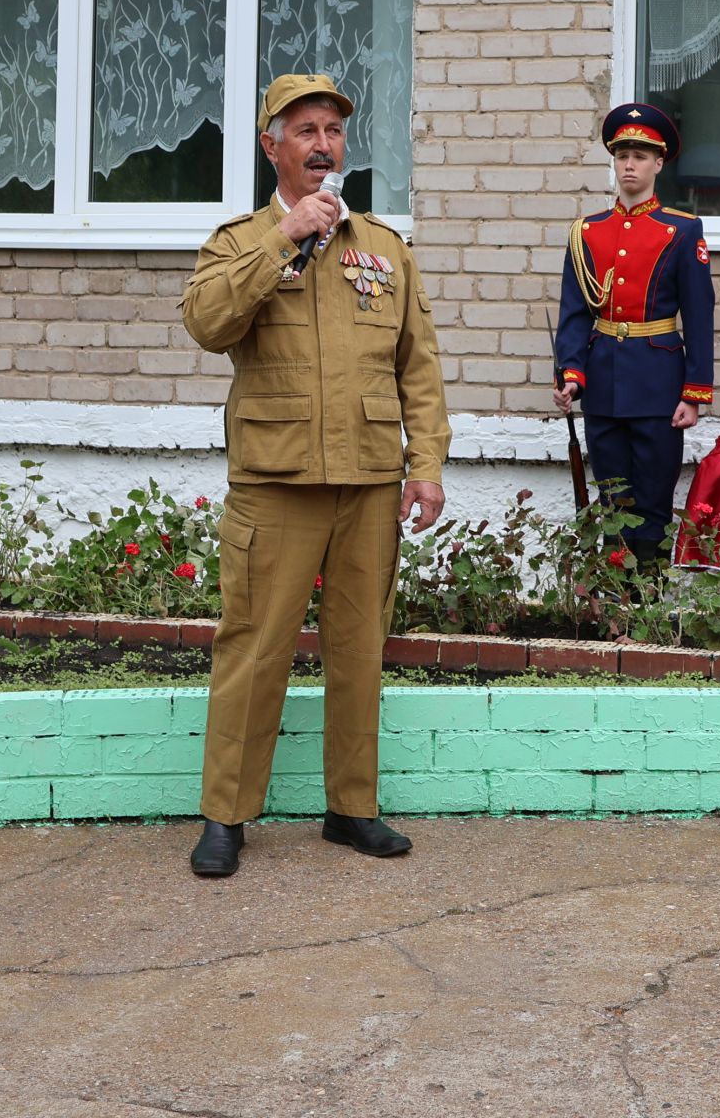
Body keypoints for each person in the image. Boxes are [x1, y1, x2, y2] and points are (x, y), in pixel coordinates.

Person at [181, 73, 450, 879]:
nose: (323, 143)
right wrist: (284, 238)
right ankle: (226, 814)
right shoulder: (240, 242)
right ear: (273, 146)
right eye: (304, 130)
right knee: (255, 649)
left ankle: (352, 808)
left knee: (359, 648)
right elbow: (206, 322)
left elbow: (419, 367)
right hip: (278, 480)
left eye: (333, 129)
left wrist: (426, 463)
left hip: (368, 480)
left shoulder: (385, 249)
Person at [553, 102, 715, 562]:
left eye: (641, 156)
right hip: (603, 382)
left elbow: (699, 316)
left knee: (652, 504)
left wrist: (694, 392)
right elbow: (575, 312)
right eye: (622, 154)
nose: (629, 164)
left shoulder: (681, 231)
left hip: (660, 383)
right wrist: (570, 374)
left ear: (659, 164)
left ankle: (647, 613)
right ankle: (617, 615)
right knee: (611, 503)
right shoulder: (587, 233)